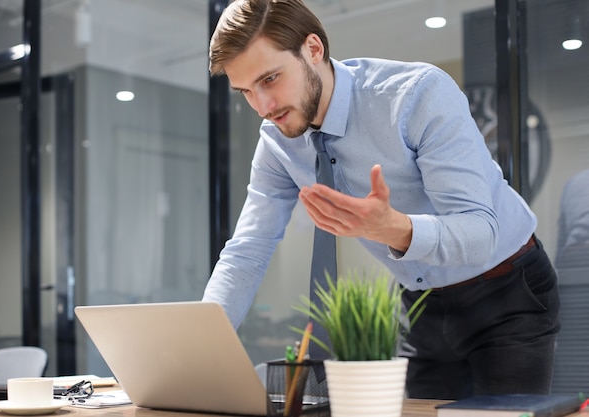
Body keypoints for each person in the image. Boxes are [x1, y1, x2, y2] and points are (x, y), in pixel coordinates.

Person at [202, 0, 560, 400]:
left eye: (270, 79)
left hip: (505, 290)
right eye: (246, 91)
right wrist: (198, 349)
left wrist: (395, 229)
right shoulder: (277, 141)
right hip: (420, 303)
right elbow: (247, 250)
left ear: (313, 49)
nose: (263, 108)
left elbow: (481, 232)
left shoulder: (415, 96)